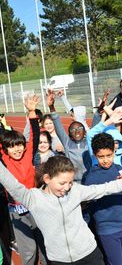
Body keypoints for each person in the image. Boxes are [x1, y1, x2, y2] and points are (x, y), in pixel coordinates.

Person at [0, 154, 122, 265]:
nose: (67, 187)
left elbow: (107, 188)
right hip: (59, 260)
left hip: (89, 253)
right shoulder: (32, 198)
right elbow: (10, 182)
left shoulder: (76, 190)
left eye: (70, 182)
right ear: (47, 179)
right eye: (62, 183)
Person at [0, 95, 49, 265]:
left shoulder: (28, 154)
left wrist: (31, 111)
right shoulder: (4, 162)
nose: (17, 149)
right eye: (12, 146)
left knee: (45, 246)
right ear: (5, 149)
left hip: (36, 206)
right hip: (16, 212)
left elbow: (35, 134)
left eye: (19, 144)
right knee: (29, 251)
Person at [84, 133, 122, 265]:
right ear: (95, 155)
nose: (105, 160)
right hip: (106, 230)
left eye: (109, 155)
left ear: (114, 152)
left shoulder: (120, 170)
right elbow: (87, 207)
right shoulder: (90, 178)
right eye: (101, 157)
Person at [47, 90, 90, 183]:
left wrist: (99, 113)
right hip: (73, 182)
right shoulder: (67, 143)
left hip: (89, 180)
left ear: (85, 132)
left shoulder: (89, 141)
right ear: (69, 134)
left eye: (79, 129)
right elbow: (58, 127)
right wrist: (52, 108)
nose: (77, 132)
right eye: (73, 130)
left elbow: (97, 124)